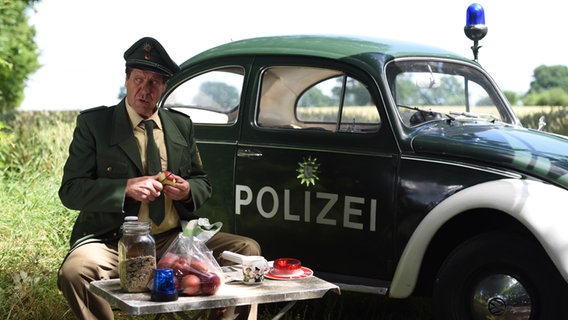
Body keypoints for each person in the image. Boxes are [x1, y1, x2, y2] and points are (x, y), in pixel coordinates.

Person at [57, 36, 260, 320]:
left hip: (173, 239)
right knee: (74, 271)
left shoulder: (180, 125)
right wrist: (125, 188)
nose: (145, 89)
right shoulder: (95, 125)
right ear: (126, 80)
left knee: (247, 250)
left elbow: (203, 182)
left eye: (154, 82)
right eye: (139, 79)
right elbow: (71, 191)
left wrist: (188, 190)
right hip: (114, 243)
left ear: (164, 87)